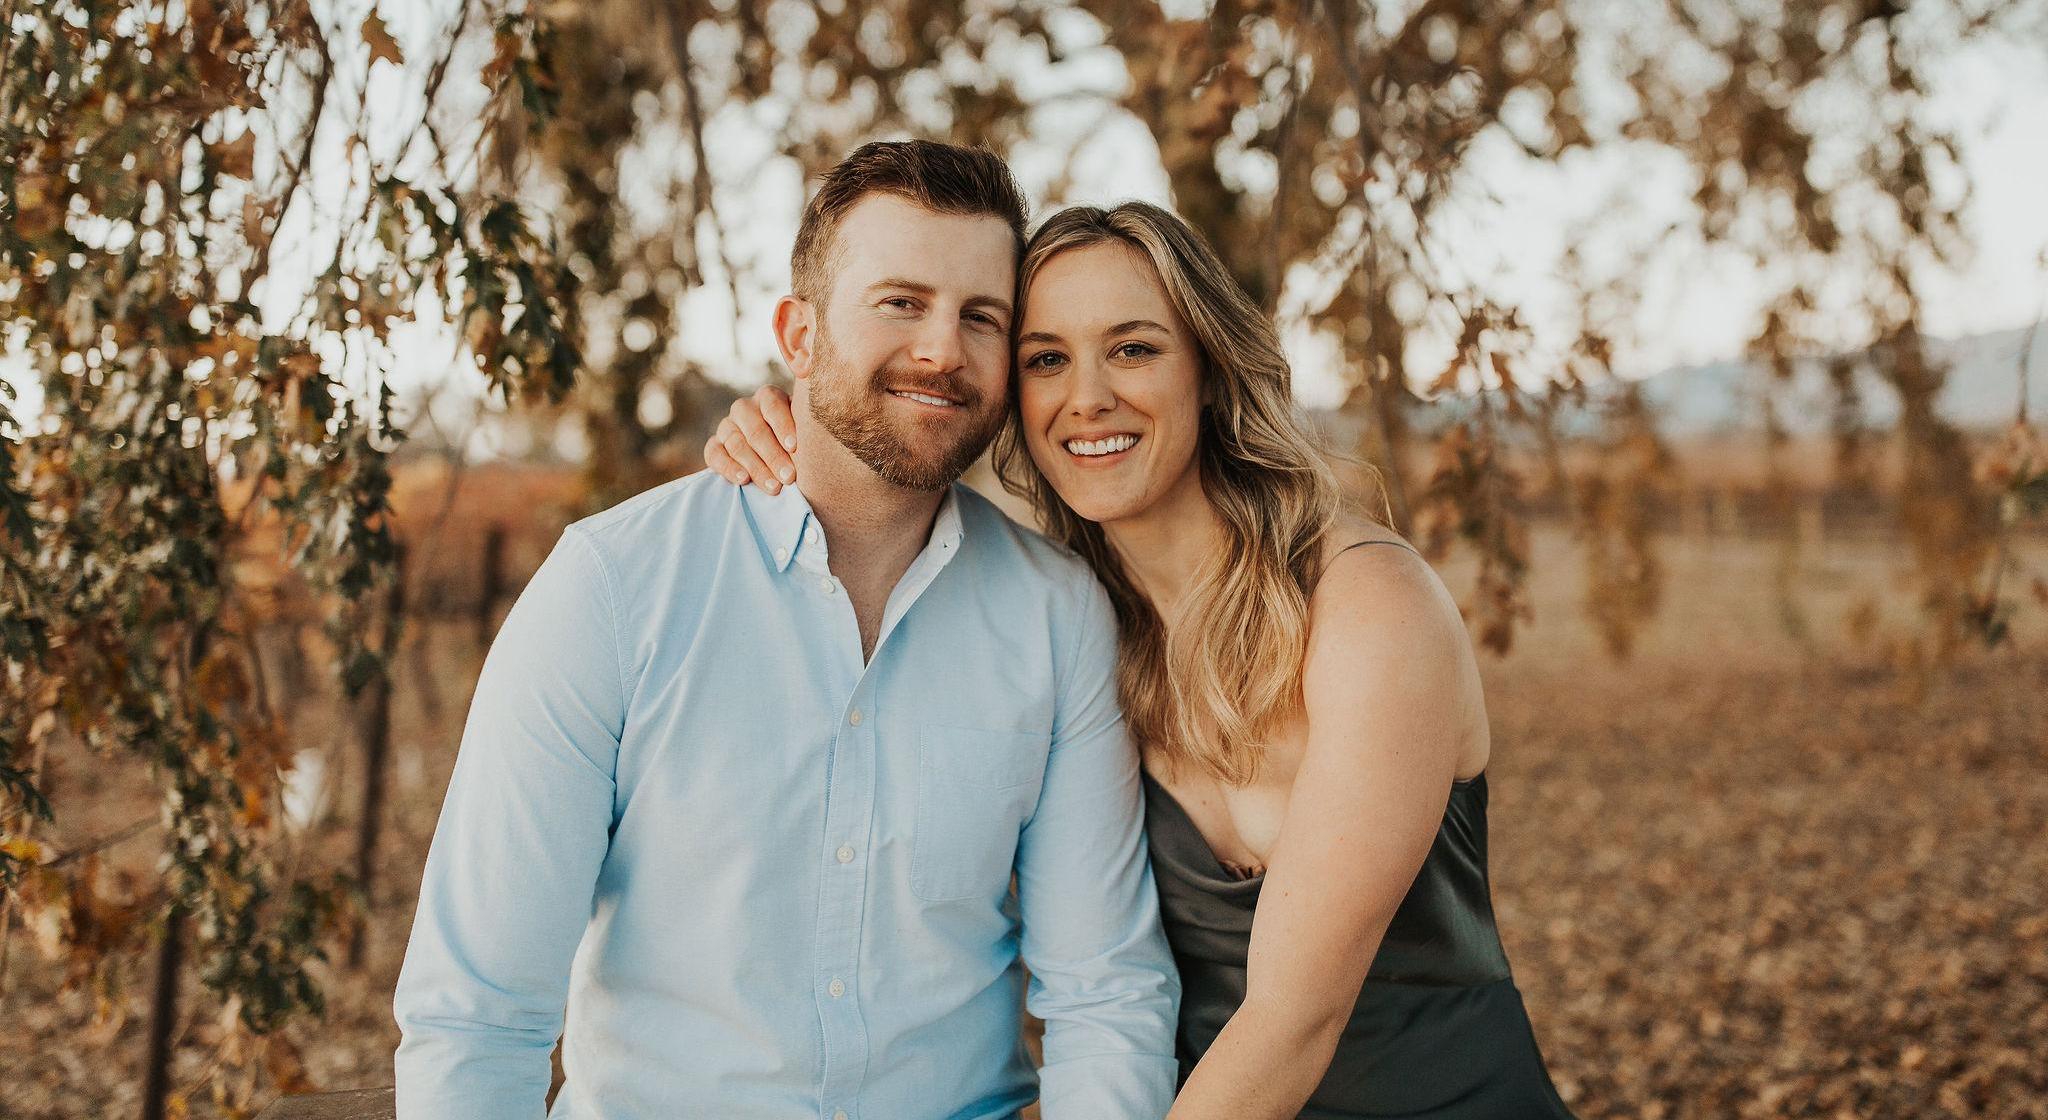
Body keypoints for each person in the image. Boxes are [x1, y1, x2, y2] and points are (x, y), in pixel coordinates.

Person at [708, 200, 1578, 1119]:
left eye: (1132, 349)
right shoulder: (1067, 627)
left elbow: (1294, 1019)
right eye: (1047, 359)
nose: (1087, 397)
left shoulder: (1367, 607)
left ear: (1207, 369)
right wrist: (791, 425)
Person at [393, 142, 1181, 1120]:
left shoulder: (1056, 615)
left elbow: (1105, 996)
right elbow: (476, 1014)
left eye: (982, 317)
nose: (942, 349)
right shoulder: (614, 587)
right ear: (798, 336)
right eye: (900, 302)